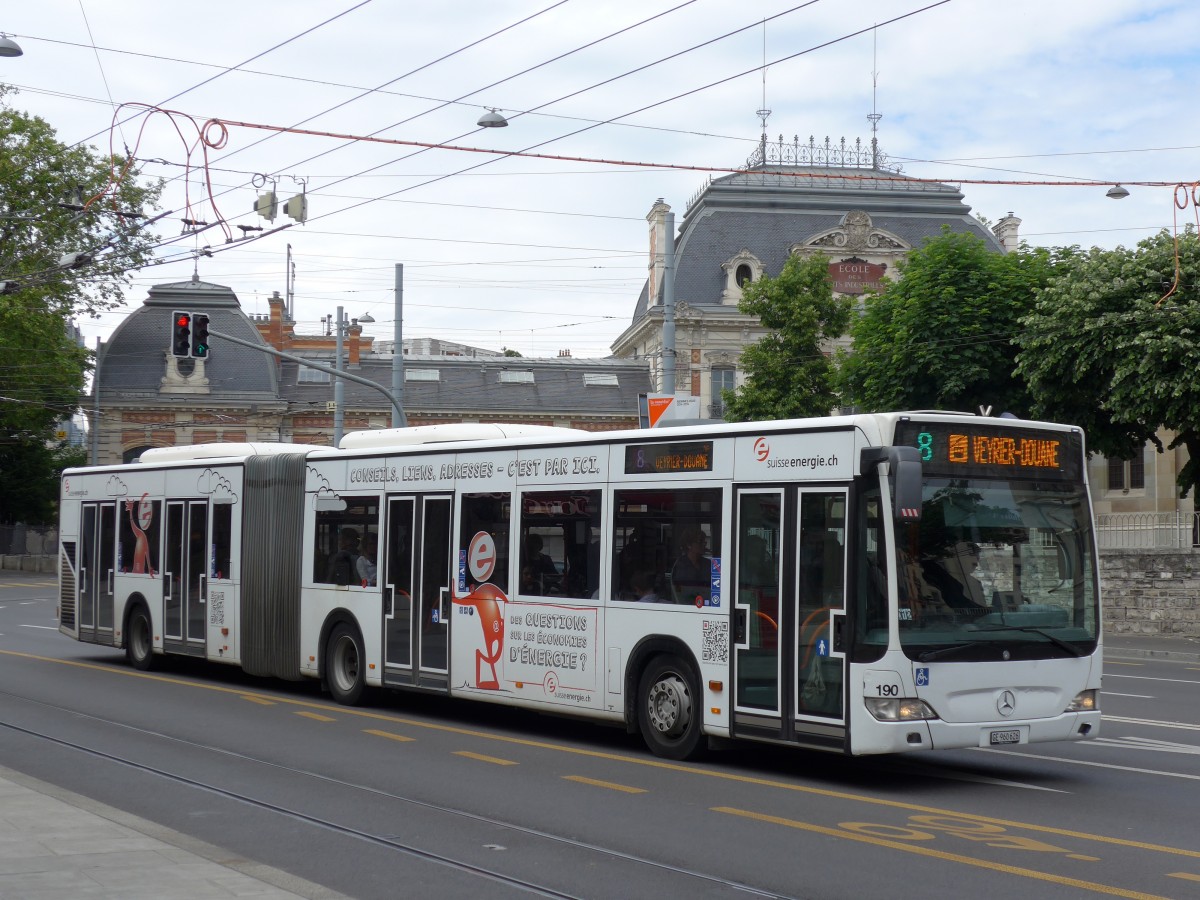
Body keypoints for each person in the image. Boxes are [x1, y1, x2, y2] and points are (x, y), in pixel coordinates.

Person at [923, 540, 989, 611]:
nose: (976, 562)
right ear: (954, 554)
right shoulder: (935, 571)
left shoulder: (975, 583)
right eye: (971, 554)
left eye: (978, 558)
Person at [671, 526, 711, 606]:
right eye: (700, 541)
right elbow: (680, 593)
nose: (704, 545)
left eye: (704, 542)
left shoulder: (708, 564)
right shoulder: (680, 565)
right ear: (689, 545)